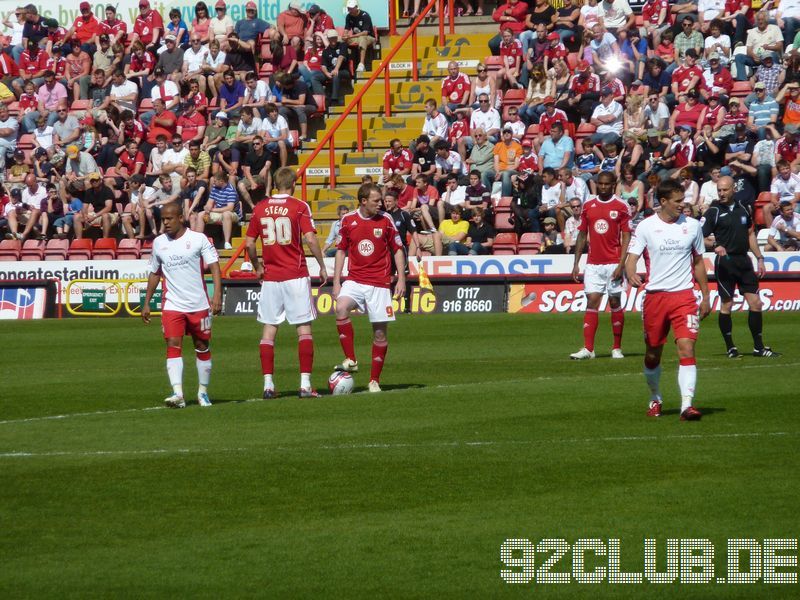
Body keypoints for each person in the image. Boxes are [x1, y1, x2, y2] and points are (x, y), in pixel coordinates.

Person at [625, 178, 709, 421]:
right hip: (655, 297)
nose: (683, 205)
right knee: (653, 353)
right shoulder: (645, 227)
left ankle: (686, 406)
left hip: (684, 295)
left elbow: (698, 262)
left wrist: (705, 295)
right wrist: (631, 271)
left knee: (686, 346)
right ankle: (655, 397)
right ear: (663, 202)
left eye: (684, 200)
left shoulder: (693, 226)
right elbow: (632, 257)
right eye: (678, 201)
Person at [244, 167, 328, 399]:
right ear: (292, 184)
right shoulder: (299, 206)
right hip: (295, 275)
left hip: (271, 278)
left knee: (269, 331)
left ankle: (268, 386)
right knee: (303, 330)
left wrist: (257, 266)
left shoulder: (260, 208)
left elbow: (250, 244)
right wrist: (321, 265)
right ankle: (304, 385)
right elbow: (310, 238)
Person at [142, 201, 222, 409]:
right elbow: (154, 273)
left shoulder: (198, 239)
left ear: (180, 218)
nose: (165, 223)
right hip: (172, 304)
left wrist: (217, 296)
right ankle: (178, 393)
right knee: (173, 344)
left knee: (201, 346)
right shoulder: (159, 243)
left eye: (169, 219)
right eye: (162, 220)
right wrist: (147, 302)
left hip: (198, 303)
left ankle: (202, 392)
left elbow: (214, 266)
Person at [333, 183, 406, 393]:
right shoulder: (348, 221)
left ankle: (374, 380)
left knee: (380, 335)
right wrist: (337, 281)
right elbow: (340, 251)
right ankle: (351, 359)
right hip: (355, 279)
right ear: (363, 201)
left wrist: (401, 278)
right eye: (376, 200)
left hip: (380, 283)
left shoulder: (386, 220)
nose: (380, 204)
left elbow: (398, 250)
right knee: (341, 308)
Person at [701, 175, 780, 358]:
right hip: (725, 263)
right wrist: (714, 245)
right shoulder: (713, 211)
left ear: (733, 189)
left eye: (725, 190)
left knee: (756, 303)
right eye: (719, 190)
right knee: (727, 305)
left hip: (744, 261)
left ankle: (758, 348)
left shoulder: (744, 208)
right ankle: (730, 347)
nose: (721, 193)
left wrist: (759, 258)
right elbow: (699, 237)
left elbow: (750, 235)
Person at [570, 171, 631, 360]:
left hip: (613, 262)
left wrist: (622, 263)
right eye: (601, 184)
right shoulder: (588, 206)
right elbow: (582, 234)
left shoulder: (621, 206)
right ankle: (589, 349)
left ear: (613, 184)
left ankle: (616, 348)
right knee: (592, 301)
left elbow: (627, 235)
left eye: (607, 184)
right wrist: (576, 263)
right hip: (593, 264)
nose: (603, 187)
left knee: (614, 302)